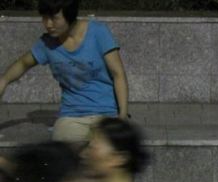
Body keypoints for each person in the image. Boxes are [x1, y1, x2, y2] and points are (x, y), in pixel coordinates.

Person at [0, 0, 129, 143]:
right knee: (63, 146)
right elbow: (23, 63)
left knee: (105, 146)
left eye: (54, 18)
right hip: (71, 116)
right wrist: (4, 81)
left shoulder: (98, 32)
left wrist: (122, 115)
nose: (48, 24)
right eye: (44, 18)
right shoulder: (47, 44)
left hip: (106, 112)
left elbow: (118, 74)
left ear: (70, 15)